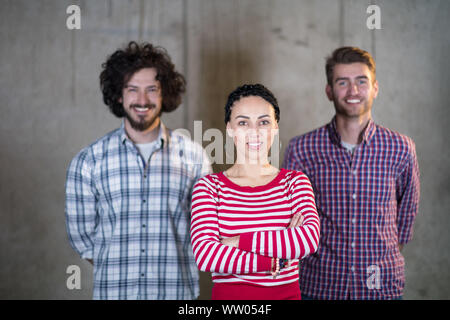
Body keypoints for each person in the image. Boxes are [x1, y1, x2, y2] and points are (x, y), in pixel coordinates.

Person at [65, 41, 212, 300]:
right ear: (119, 95)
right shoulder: (89, 161)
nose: (142, 100)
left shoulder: (194, 157)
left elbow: (206, 231)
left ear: (164, 93)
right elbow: (84, 240)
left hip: (177, 294)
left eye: (151, 89)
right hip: (115, 293)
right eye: (132, 89)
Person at [283, 46, 420, 300]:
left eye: (361, 81)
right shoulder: (302, 149)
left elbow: (405, 220)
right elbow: (289, 220)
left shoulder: (401, 148)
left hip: (381, 289)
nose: (353, 91)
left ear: (375, 88)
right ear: (329, 91)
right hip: (319, 287)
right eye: (342, 82)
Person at [190, 84, 320, 300]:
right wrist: (276, 259)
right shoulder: (208, 187)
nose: (254, 131)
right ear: (229, 129)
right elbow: (206, 256)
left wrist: (237, 241)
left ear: (275, 127)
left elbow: (307, 241)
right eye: (243, 122)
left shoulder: (295, 183)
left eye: (264, 122)